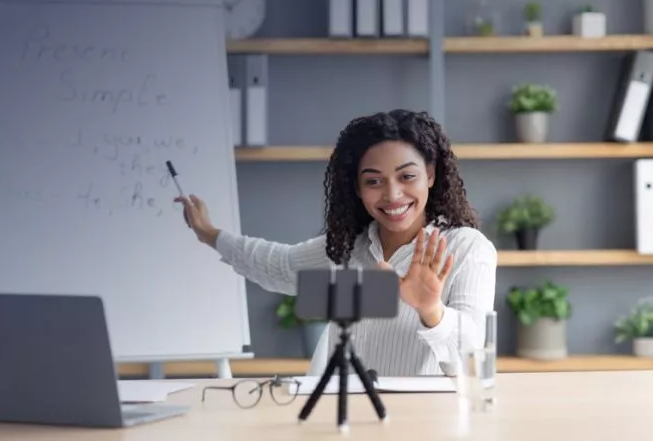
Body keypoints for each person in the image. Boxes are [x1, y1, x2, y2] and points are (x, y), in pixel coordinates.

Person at [175, 109, 497, 377]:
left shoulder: (468, 249)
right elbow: (278, 265)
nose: (392, 194)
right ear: (356, 188)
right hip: (345, 420)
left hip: (421, 425)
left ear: (430, 174)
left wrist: (431, 310)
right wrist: (209, 233)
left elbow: (471, 360)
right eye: (373, 181)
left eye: (406, 176)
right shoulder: (348, 247)